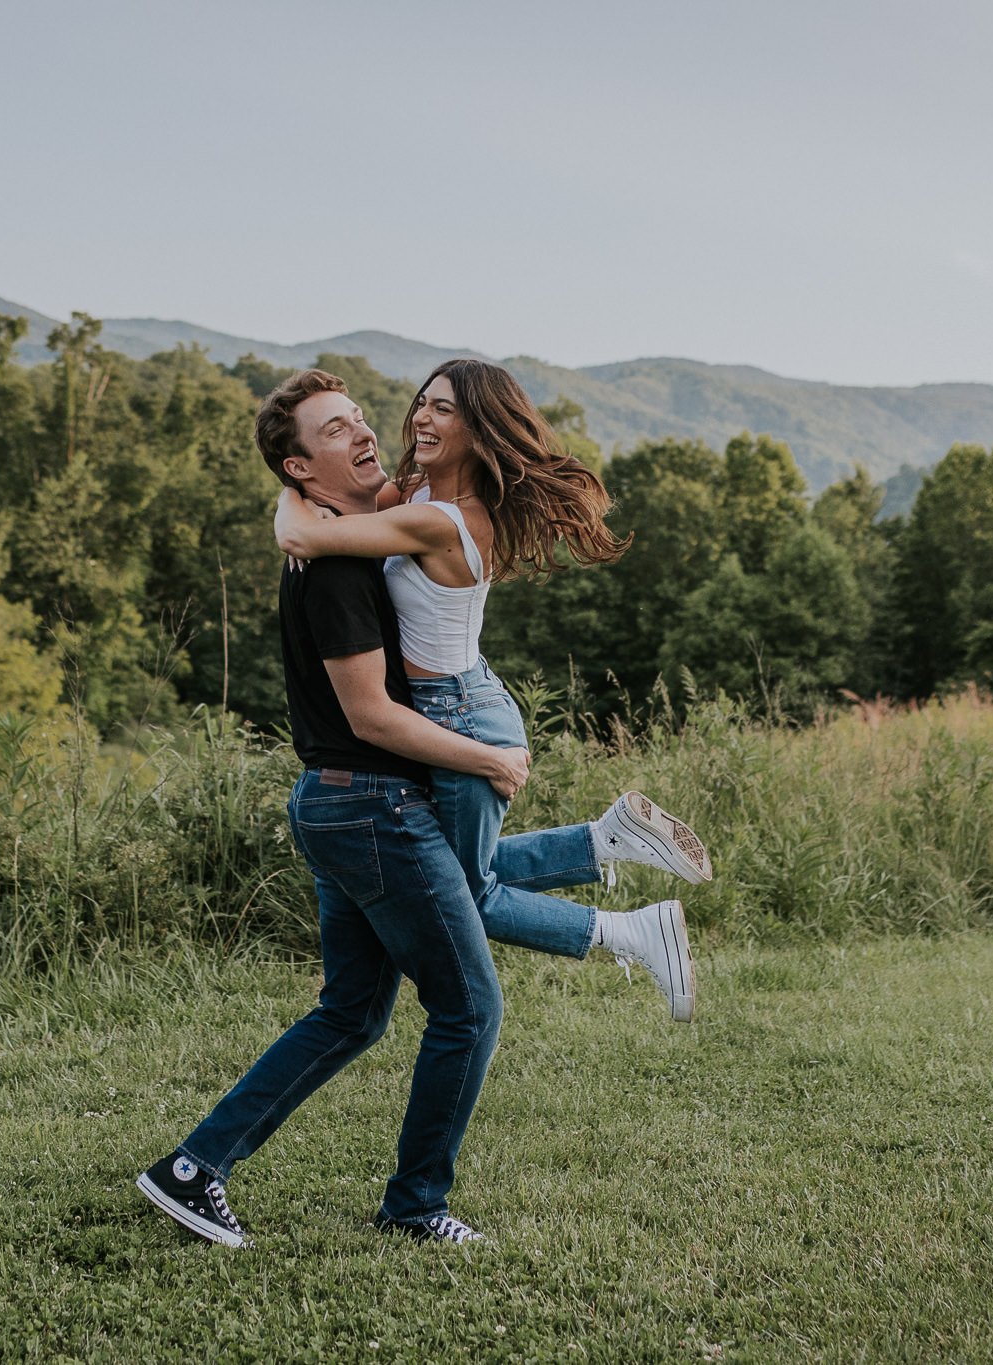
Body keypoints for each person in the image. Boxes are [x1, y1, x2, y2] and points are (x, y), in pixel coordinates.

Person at [135, 369, 535, 1249]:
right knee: (470, 1008)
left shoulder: (338, 536)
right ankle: (415, 1205)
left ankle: (192, 1169)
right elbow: (370, 715)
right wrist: (487, 757)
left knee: (353, 1011)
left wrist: (297, 508)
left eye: (360, 419)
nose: (364, 434)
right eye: (333, 431)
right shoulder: (337, 569)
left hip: (343, 804)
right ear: (299, 465)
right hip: (368, 804)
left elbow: (343, 515)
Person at [274, 358, 711, 1022]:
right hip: (466, 700)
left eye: (444, 409)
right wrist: (295, 479)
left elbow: (303, 532)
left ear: (480, 431)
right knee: (442, 877)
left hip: (460, 717)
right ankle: (600, 843)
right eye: (424, 401)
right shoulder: (414, 492)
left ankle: (631, 931)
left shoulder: (443, 521)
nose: (422, 415)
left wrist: (290, 488)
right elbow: (323, 512)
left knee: (466, 894)